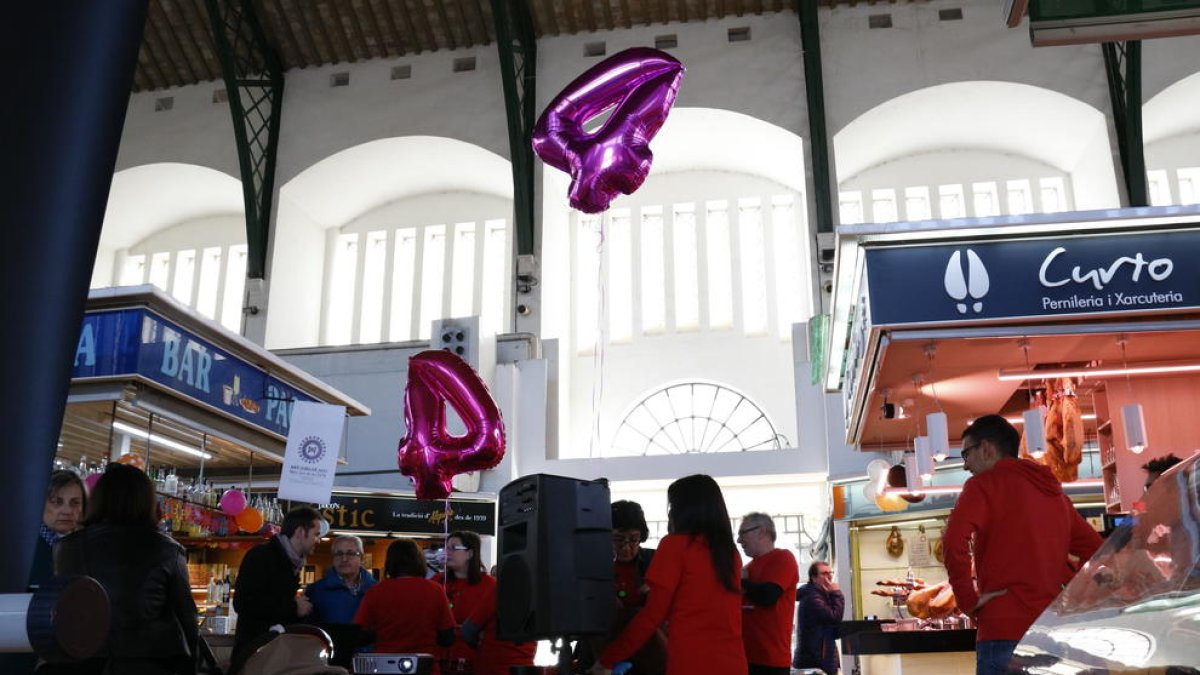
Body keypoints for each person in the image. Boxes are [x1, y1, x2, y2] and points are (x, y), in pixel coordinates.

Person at [943, 414, 1102, 675]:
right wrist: (1069, 595)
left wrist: (968, 601)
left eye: (966, 455)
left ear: (986, 448)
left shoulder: (982, 486)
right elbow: (1097, 552)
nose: (965, 466)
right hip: (1050, 631)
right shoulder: (1054, 495)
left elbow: (952, 541)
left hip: (1002, 629)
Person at [592, 474, 746, 675]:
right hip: (733, 663)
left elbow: (651, 616)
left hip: (692, 663)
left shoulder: (675, 546)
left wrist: (608, 659)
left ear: (684, 510)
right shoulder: (730, 553)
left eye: (673, 506)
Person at [53, 463, 198, 675]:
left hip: (84, 663)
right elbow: (187, 617)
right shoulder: (168, 550)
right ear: (147, 501)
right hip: (149, 664)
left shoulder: (67, 548)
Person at [232, 505, 323, 668]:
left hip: (274, 654)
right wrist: (294, 607)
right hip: (255, 656)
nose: (318, 540)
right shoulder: (261, 556)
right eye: (316, 534)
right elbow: (244, 603)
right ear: (301, 532)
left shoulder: (292, 562)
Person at [354, 539, 454, 673]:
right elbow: (447, 637)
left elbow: (358, 635)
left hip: (385, 667)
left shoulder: (376, 592)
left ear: (390, 562)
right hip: (424, 667)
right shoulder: (435, 590)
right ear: (419, 561)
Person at [738, 513, 799, 675]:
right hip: (745, 658)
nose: (739, 540)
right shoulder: (747, 568)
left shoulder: (783, 558)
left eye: (742, 533)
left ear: (761, 531)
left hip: (771, 661)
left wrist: (741, 582)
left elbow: (768, 596)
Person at [306, 535, 377, 667]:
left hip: (370, 662)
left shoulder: (376, 590)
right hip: (332, 663)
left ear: (361, 557)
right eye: (338, 554)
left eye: (350, 553)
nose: (344, 559)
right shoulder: (316, 591)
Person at [435, 531, 494, 674]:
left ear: (470, 553)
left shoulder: (489, 585)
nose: (447, 552)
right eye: (446, 547)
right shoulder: (436, 583)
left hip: (474, 663)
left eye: (454, 548)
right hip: (439, 661)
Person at [32, 469, 86, 588]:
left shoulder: (86, 545)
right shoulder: (24, 547)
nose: (67, 511)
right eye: (57, 502)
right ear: (39, 503)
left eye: (75, 503)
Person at [792, 561, 844, 675]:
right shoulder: (813, 597)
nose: (829, 576)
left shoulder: (819, 594)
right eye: (824, 573)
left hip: (817, 658)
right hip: (816, 661)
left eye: (830, 572)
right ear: (814, 578)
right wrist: (836, 593)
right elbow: (834, 617)